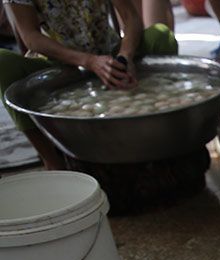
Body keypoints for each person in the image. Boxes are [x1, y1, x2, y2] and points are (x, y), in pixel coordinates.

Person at [0, 0, 178, 169]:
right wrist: (89, 61)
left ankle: (166, 133)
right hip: (57, 65)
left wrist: (125, 56)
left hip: (109, 52)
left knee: (160, 36)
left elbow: (131, 18)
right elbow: (31, 37)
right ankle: (53, 161)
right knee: (3, 62)